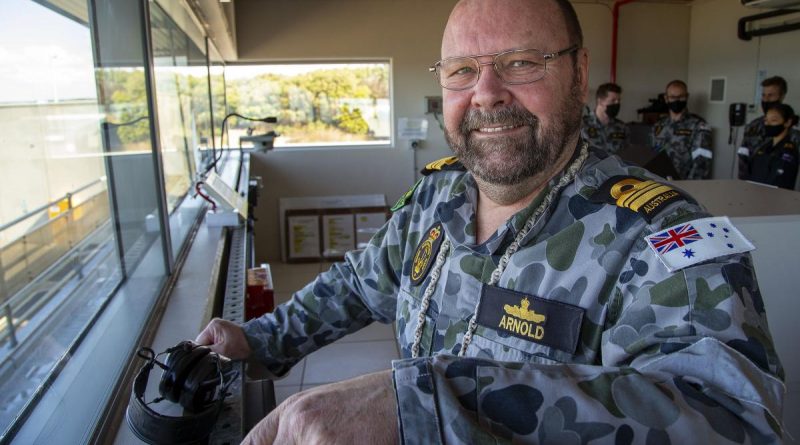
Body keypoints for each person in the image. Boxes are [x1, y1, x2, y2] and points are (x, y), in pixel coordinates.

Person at [196, 1, 785, 443]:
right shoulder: (436, 195)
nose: (486, 93)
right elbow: (358, 282)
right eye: (461, 71)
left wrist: (428, 406)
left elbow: (733, 419)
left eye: (520, 63)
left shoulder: (661, 238)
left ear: (578, 74)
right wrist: (257, 340)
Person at [651, 80, 713, 179]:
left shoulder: (698, 125)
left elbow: (702, 164)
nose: (677, 100)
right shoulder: (659, 126)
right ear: (666, 98)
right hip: (660, 184)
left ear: (687, 97)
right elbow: (652, 156)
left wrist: (689, 188)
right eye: (673, 97)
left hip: (686, 186)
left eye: (681, 97)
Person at [740, 76, 800, 166]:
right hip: (753, 177)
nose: (766, 100)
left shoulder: (793, 127)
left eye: (770, 95)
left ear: (782, 96)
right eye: (763, 95)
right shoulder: (752, 126)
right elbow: (743, 157)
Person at [741, 103, 799, 189]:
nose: (768, 124)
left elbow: (780, 179)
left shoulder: (789, 151)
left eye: (773, 120)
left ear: (787, 122)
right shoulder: (763, 147)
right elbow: (749, 172)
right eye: (766, 120)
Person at [581, 82, 628, 154]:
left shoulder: (622, 127)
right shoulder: (582, 125)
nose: (617, 104)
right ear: (600, 101)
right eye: (613, 100)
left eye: (618, 100)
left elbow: (627, 154)